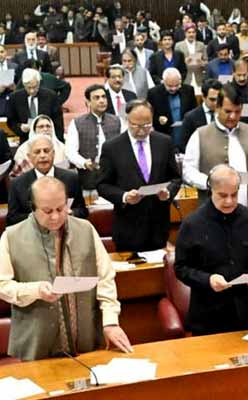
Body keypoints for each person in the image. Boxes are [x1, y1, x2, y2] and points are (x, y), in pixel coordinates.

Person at [0, 176, 132, 361]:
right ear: (33, 207)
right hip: (37, 342)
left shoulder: (86, 229)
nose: (55, 216)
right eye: (47, 211)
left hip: (86, 337)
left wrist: (110, 322)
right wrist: (35, 290)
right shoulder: (11, 237)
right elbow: (2, 285)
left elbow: (105, 277)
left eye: (61, 209)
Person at [175, 165, 248, 335]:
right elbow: (181, 269)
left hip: (247, 314)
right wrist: (208, 279)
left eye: (234, 195)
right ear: (211, 190)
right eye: (222, 195)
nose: (229, 201)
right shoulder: (192, 224)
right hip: (208, 316)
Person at [96, 100, 182, 252]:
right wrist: (124, 196)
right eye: (136, 125)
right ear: (127, 119)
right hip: (128, 227)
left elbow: (175, 178)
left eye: (147, 124)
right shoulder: (112, 147)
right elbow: (102, 185)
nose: (142, 130)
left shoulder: (164, 142)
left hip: (158, 226)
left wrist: (168, 192)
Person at [183, 83, 248, 221]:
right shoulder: (200, 134)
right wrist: (209, 182)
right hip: (213, 216)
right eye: (228, 111)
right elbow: (188, 170)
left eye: (237, 112)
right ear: (217, 108)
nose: (232, 116)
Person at [8, 136, 87, 226]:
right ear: (29, 157)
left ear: (53, 153)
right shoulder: (17, 184)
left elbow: (82, 211)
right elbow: (12, 218)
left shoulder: (71, 178)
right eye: (37, 152)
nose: (42, 155)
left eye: (46, 151)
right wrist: (35, 217)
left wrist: (71, 213)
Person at [65, 84, 122, 191]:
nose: (101, 100)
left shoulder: (118, 121)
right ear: (88, 102)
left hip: (114, 175)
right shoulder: (77, 123)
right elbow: (70, 151)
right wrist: (84, 163)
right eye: (97, 98)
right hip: (88, 176)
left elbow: (125, 147)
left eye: (104, 97)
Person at [147, 67, 198, 152]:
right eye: (170, 86)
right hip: (164, 135)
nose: (173, 89)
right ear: (163, 82)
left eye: (177, 85)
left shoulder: (189, 90)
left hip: (185, 135)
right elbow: (149, 115)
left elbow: (194, 112)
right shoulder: (153, 93)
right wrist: (158, 119)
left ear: (180, 81)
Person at [6, 68, 63, 143]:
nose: (32, 91)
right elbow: (11, 121)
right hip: (26, 140)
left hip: (48, 139)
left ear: (39, 83)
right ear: (24, 85)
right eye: (28, 87)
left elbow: (58, 123)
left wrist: (58, 142)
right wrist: (20, 128)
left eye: (34, 87)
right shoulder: (15, 98)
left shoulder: (51, 96)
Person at [182, 78, 221, 148]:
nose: (216, 103)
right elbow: (185, 144)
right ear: (203, 97)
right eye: (212, 99)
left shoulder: (225, 114)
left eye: (218, 99)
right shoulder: (190, 118)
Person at [174, 23, 207, 91]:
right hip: (185, 78)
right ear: (185, 33)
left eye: (193, 32)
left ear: (196, 33)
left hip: (199, 78)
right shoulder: (178, 45)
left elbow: (206, 61)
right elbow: (175, 64)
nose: (191, 34)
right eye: (189, 32)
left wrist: (202, 63)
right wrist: (184, 62)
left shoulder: (201, 45)